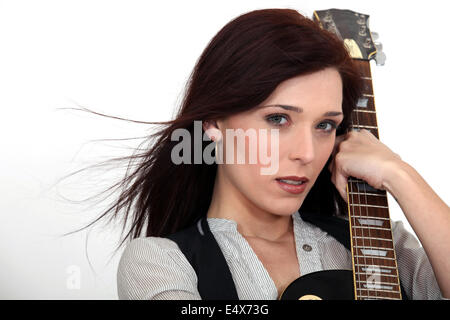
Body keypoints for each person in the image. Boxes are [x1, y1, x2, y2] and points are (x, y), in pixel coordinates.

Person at [104, 8, 449, 300]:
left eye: (325, 125)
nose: (306, 153)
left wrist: (401, 176)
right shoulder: (161, 263)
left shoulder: (383, 247)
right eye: (278, 119)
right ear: (213, 123)